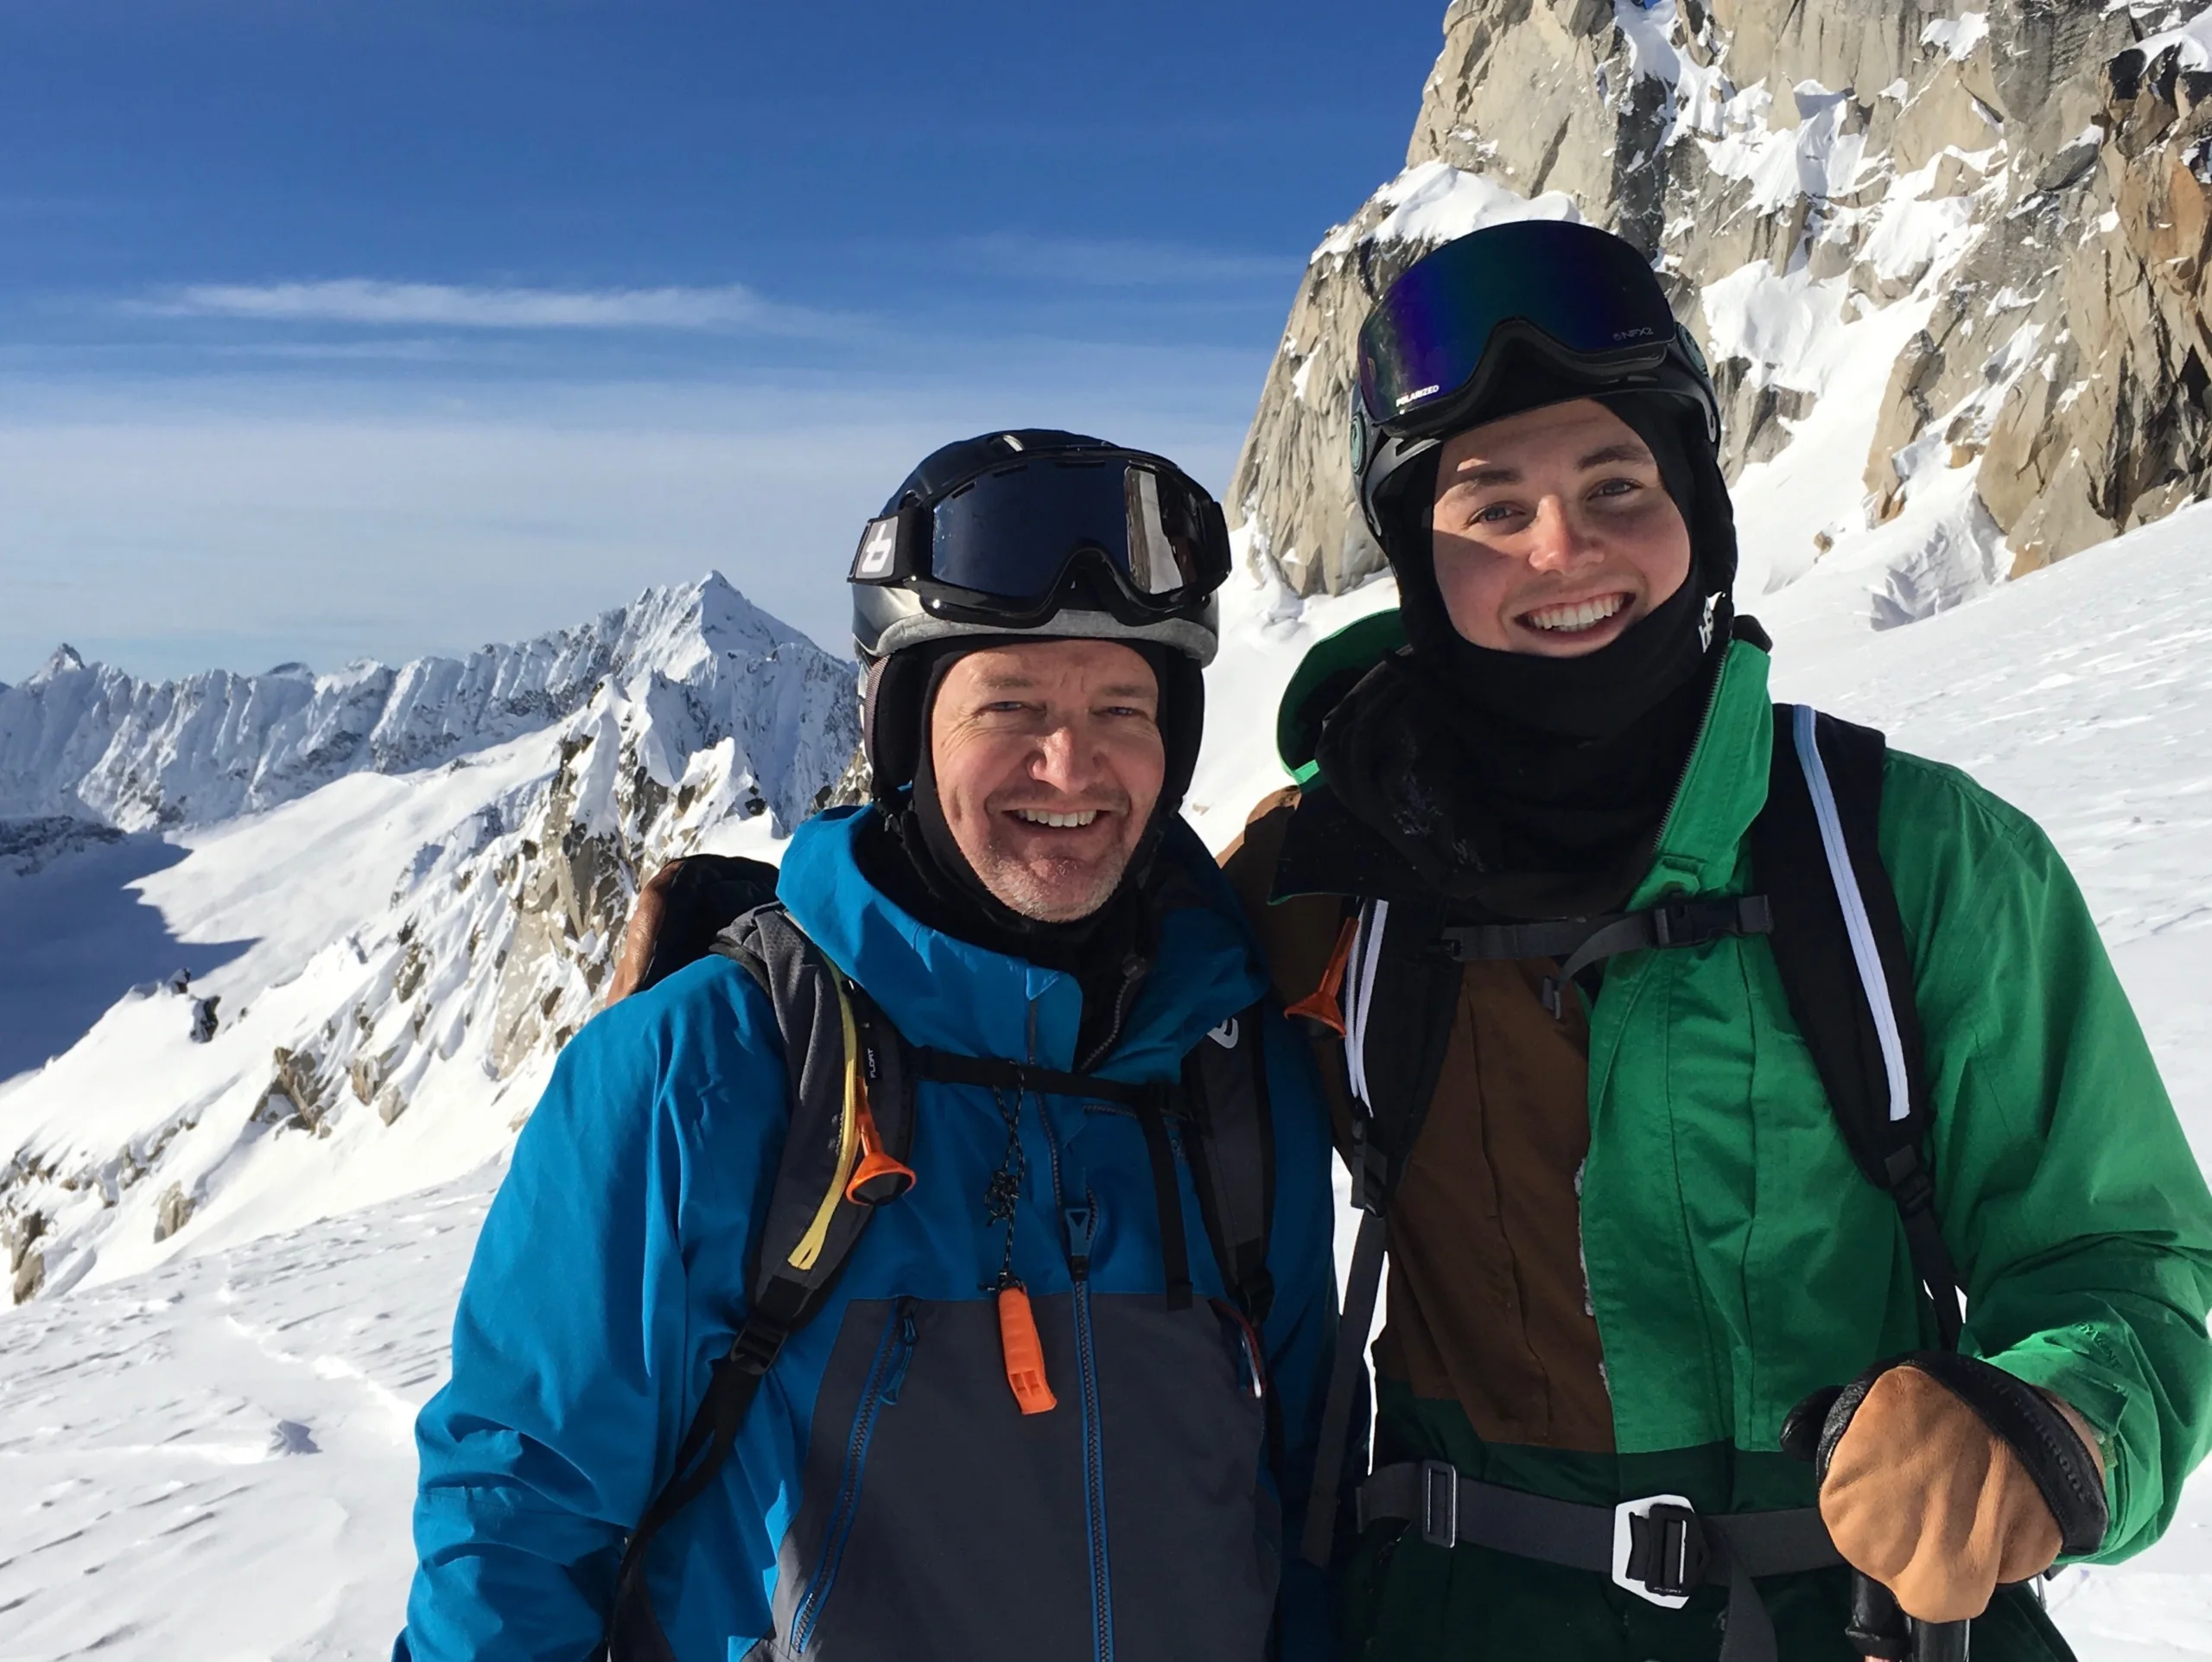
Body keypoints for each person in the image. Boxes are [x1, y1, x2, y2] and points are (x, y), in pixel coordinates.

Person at [1221, 220, 2212, 1662]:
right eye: (1491, 508)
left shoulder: (1914, 859)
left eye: (1617, 483)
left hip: (1864, 1622)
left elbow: (2123, 1259)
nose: (1563, 549)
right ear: (1418, 565)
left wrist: (2037, 1426)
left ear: (1698, 511)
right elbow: (1056, 1027)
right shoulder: (1329, 878)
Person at [395, 430, 1340, 1662]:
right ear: (906, 731)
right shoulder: (707, 1070)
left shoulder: (1229, 1070)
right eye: (1011, 705)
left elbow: (1308, 1506)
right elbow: (517, 1529)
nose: (1074, 763)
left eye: (1124, 705)